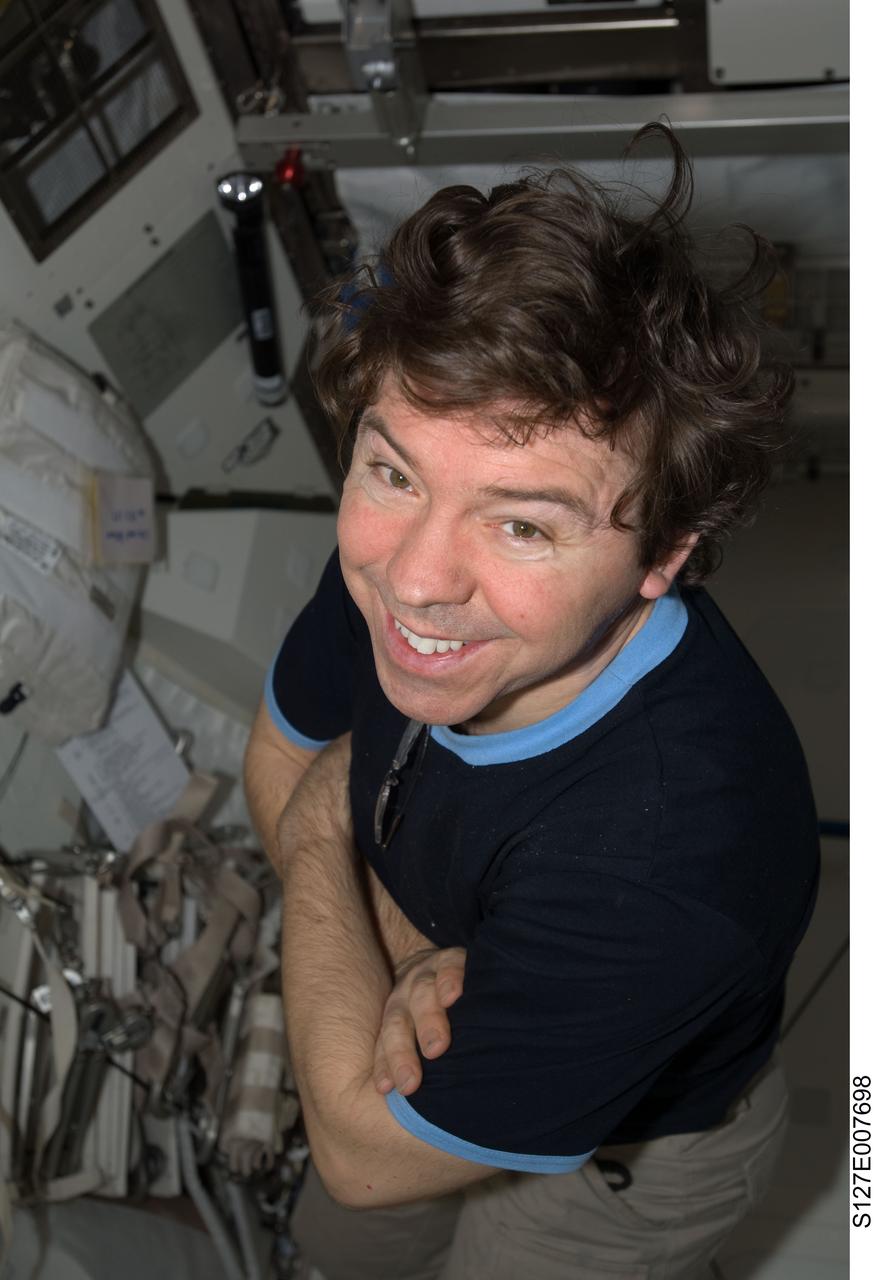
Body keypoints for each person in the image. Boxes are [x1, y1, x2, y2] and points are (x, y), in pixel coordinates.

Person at [243, 124, 820, 1280]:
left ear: (662, 552)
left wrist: (321, 842)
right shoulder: (400, 559)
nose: (414, 579)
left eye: (522, 524)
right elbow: (279, 747)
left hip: (632, 1151)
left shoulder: (671, 856)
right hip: (421, 1005)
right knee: (337, 1243)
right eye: (392, 468)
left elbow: (364, 1145)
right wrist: (413, 953)